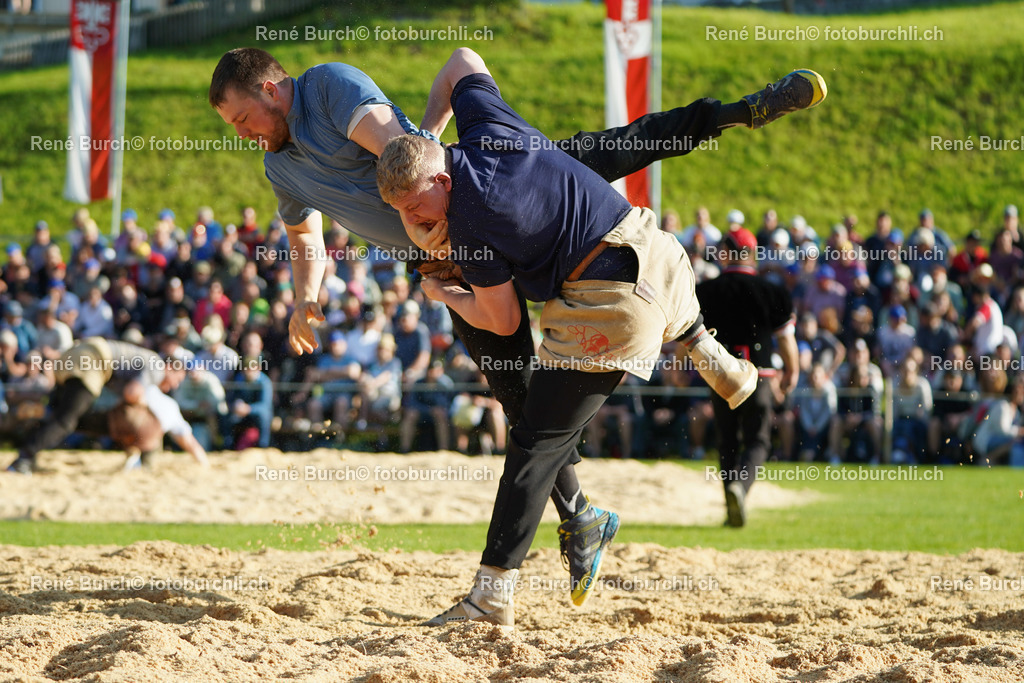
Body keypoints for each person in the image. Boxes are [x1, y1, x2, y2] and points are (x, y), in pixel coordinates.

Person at [209, 45, 825, 569]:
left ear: (270, 88)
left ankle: (744, 111)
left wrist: (429, 145)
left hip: (484, 197)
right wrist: (306, 297)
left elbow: (401, 151)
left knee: (629, 146)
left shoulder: (324, 89)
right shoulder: (278, 165)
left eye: (242, 118)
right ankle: (581, 514)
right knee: (516, 392)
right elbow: (304, 237)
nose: (243, 133)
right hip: (451, 250)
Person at [375, 50, 824, 626]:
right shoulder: (492, 129)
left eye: (416, 207)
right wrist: (427, 132)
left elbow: (505, 321)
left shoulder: (471, 223)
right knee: (615, 145)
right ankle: (710, 353)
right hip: (659, 255)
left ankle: (491, 595)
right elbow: (463, 60)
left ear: (441, 179)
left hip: (613, 305)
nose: (417, 221)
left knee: (535, 442)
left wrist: (444, 296)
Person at [695, 228, 800, 526]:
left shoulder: (706, 290)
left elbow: (690, 334)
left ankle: (731, 506)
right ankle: (740, 487)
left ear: (725, 253)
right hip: (761, 376)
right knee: (758, 440)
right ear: (753, 254)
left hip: (722, 375)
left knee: (727, 439)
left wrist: (678, 368)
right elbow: (786, 340)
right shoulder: (773, 292)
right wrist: (792, 371)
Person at [6, 338, 208, 473]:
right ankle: (24, 459)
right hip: (92, 359)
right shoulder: (157, 367)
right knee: (66, 421)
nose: (174, 385)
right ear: (170, 367)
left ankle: (31, 417)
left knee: (58, 413)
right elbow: (131, 393)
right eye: (177, 379)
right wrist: (143, 404)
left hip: (74, 354)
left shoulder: (147, 360)